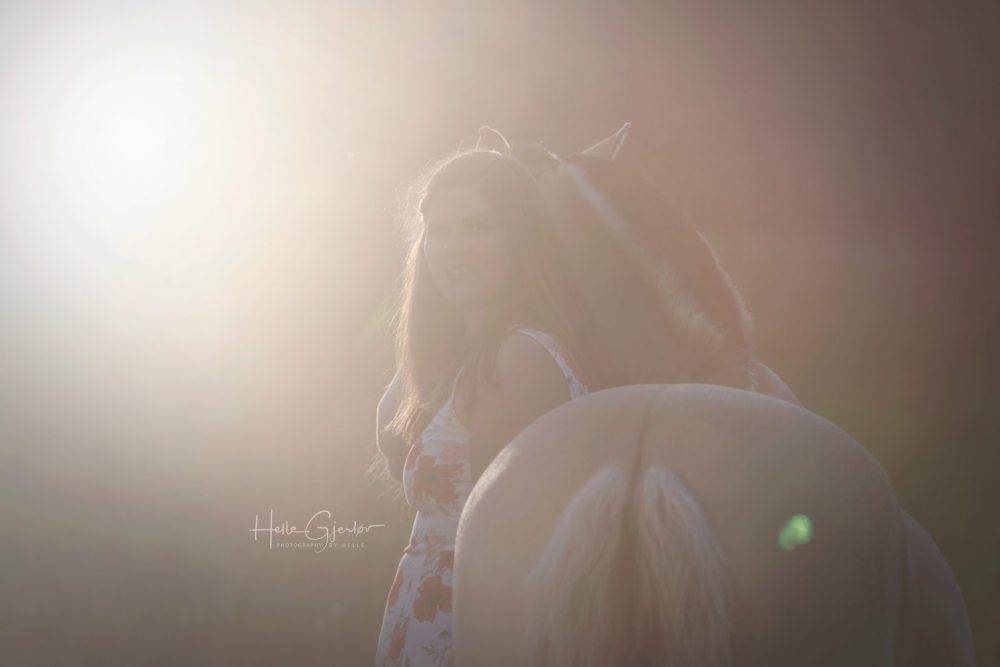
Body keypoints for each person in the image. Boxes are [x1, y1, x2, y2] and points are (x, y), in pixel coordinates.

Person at [372, 146, 595, 667]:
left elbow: (510, 546)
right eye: (440, 230)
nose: (455, 247)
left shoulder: (518, 358)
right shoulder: (454, 362)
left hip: (475, 634)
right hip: (427, 625)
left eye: (477, 227)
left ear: (520, 237)